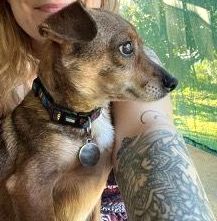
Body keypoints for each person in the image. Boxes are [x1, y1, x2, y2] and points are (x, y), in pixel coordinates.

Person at [0, 0, 215, 220]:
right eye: (126, 49)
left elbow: (152, 130)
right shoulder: (35, 119)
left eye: (129, 48)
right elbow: (26, 185)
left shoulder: (111, 94)